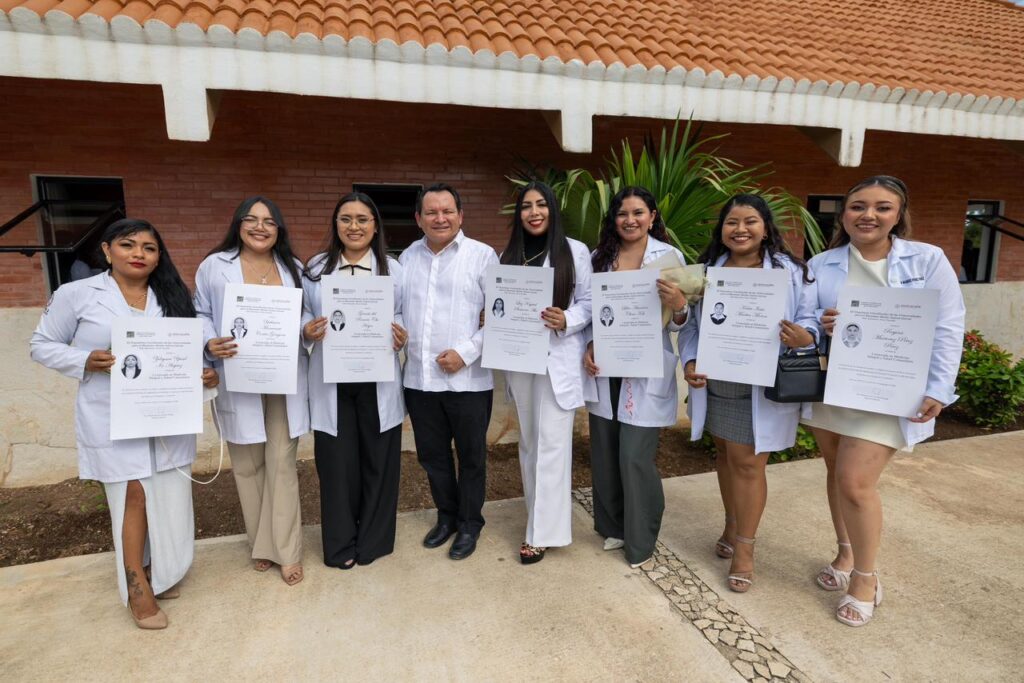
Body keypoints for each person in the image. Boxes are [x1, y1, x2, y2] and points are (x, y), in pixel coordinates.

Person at [30, 218, 219, 630]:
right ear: (106, 250)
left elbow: (185, 354)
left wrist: (205, 373)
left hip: (165, 414)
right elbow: (41, 345)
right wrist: (84, 360)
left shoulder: (172, 296)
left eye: (149, 248)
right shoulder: (77, 294)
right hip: (112, 414)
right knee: (133, 495)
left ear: (158, 256)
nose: (138, 254)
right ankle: (136, 589)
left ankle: (160, 573)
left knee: (166, 496)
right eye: (128, 245)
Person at [803, 175, 965, 626]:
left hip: (892, 391)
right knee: (836, 474)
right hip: (835, 387)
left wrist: (939, 388)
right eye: (858, 206)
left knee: (855, 482)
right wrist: (820, 323)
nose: (868, 215)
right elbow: (804, 318)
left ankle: (866, 578)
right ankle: (845, 554)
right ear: (844, 214)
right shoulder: (821, 263)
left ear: (898, 215)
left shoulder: (927, 259)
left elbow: (949, 324)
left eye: (882, 207)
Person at [679, 194, 819, 593]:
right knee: (725, 456)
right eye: (732, 222)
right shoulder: (708, 271)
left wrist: (806, 336)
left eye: (750, 221)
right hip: (717, 380)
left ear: (766, 228)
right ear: (721, 229)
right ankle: (731, 523)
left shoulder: (790, 271)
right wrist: (690, 361)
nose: (740, 229)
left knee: (747, 464)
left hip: (760, 381)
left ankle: (745, 547)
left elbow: (809, 318)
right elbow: (692, 326)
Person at [194, 196, 310, 586]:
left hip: (283, 376)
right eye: (251, 219)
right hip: (238, 373)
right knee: (247, 465)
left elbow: (305, 315)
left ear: (279, 229)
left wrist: (307, 330)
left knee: (281, 461)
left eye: (269, 221)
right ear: (238, 224)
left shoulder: (293, 268)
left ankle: (287, 551)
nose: (260, 227)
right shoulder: (215, 266)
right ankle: (262, 545)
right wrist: (209, 342)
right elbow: (201, 313)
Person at [583, 186, 689, 568]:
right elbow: (588, 310)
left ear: (652, 217)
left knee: (634, 456)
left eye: (638, 212)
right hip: (606, 367)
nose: (630, 220)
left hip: (644, 368)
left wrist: (679, 306)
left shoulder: (669, 258)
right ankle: (613, 526)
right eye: (622, 213)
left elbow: (678, 323)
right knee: (605, 452)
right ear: (614, 219)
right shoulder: (598, 257)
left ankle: (640, 540)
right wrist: (589, 345)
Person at [302, 192, 408, 569]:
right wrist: (307, 329)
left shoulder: (393, 269)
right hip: (332, 379)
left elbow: (403, 313)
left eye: (363, 219)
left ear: (375, 226)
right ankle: (340, 544)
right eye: (346, 219)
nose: (354, 226)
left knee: (379, 461)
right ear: (336, 225)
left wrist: (401, 333)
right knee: (337, 465)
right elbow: (302, 313)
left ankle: (373, 541)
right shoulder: (315, 268)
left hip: (378, 377)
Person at [400, 183, 499, 560]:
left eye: (447, 211)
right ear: (418, 218)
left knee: (471, 458)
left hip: (468, 381)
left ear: (460, 215)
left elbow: (502, 315)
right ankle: (447, 517)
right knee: (433, 457)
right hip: (420, 380)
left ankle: (470, 523)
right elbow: (396, 310)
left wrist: (466, 353)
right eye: (431, 212)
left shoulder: (482, 255)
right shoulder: (406, 258)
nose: (439, 218)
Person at [499, 181, 593, 564]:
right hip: (522, 360)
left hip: (557, 360)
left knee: (552, 446)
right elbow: (501, 303)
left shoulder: (575, 251)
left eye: (541, 205)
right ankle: (537, 518)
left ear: (552, 209)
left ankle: (540, 534)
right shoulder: (508, 254)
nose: (534, 212)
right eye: (526, 206)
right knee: (529, 444)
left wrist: (566, 318)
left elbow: (589, 302)